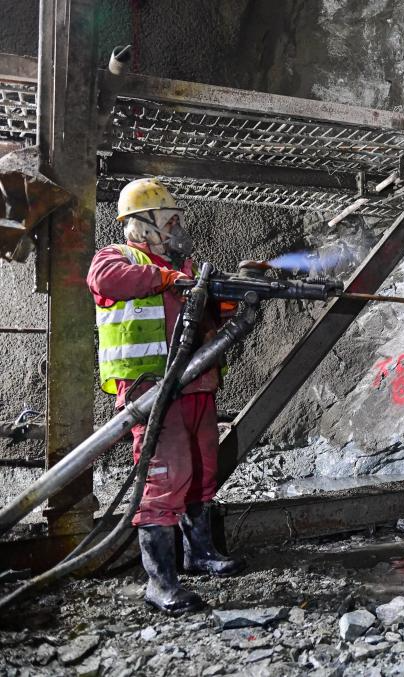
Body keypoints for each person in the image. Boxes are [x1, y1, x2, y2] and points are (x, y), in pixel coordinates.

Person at [86, 178, 243, 615]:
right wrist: (167, 277)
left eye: (177, 218)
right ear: (141, 223)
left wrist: (229, 299)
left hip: (197, 386)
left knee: (202, 471)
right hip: (152, 389)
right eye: (167, 219)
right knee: (164, 478)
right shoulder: (117, 258)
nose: (176, 226)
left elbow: (207, 320)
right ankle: (160, 583)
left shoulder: (187, 269)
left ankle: (200, 554)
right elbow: (105, 279)